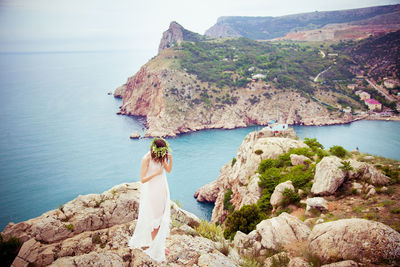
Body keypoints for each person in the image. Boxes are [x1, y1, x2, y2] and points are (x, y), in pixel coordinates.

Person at [128, 137, 173, 262]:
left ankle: (159, 245)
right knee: (155, 221)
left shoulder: (161, 157)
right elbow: (142, 179)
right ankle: (156, 247)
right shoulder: (146, 158)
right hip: (152, 190)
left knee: (162, 217)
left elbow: (168, 170)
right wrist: (155, 174)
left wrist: (170, 159)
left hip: (163, 188)